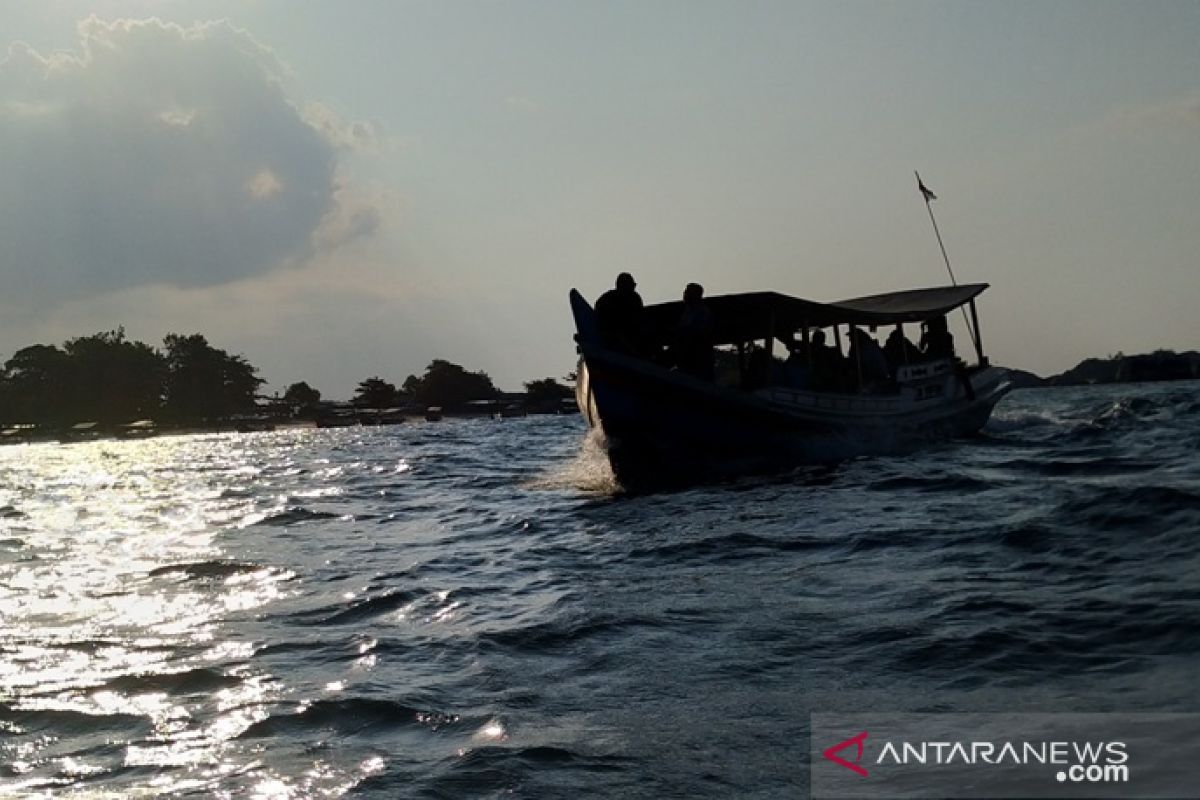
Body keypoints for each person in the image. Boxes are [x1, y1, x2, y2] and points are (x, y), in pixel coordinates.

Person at [595, 272, 645, 354]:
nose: (633, 288)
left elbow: (640, 320)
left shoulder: (635, 299)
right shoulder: (608, 300)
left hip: (630, 339)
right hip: (612, 338)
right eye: (631, 286)